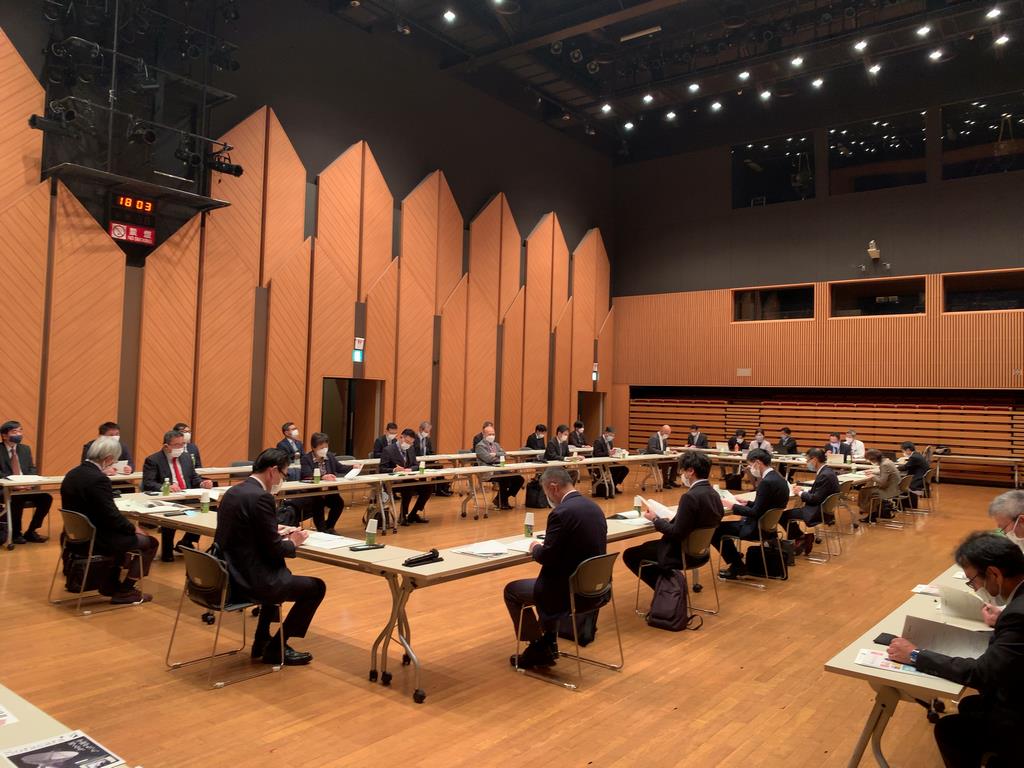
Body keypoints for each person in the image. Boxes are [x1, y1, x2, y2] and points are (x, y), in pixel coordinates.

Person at [887, 532, 1024, 768]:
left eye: (973, 581)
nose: (975, 588)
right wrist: (1003, 618)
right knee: (970, 705)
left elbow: (981, 674)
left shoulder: (1018, 616)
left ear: (994, 574)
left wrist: (915, 655)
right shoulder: (1017, 607)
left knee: (948, 730)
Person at [214, 448, 326, 666]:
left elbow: (247, 530)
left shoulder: (234, 491)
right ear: (272, 471)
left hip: (229, 572)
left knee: (279, 571)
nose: (282, 480)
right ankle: (276, 648)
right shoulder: (261, 497)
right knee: (315, 587)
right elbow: (274, 549)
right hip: (250, 581)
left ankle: (262, 639)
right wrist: (293, 542)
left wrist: (273, 531)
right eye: (283, 475)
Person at [504, 468, 607, 669]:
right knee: (549, 581)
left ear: (553, 487)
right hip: (596, 588)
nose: (547, 497)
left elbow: (547, 557)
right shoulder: (594, 507)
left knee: (512, 591)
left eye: (546, 492)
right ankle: (548, 641)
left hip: (568, 591)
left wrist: (535, 548)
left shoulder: (561, 513)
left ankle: (538, 646)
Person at [60, 437, 158, 604]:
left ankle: (110, 583)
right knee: (150, 543)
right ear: (108, 459)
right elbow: (110, 515)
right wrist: (132, 528)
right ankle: (126, 590)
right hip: (97, 538)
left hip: (76, 536)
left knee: (124, 537)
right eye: (114, 460)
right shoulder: (99, 479)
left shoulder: (72, 473)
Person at [623, 451, 723, 588]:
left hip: (681, 553)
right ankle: (670, 587)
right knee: (646, 545)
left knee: (631, 554)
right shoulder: (714, 493)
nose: (681, 475)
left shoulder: (690, 497)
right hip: (701, 552)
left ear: (690, 471)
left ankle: (669, 589)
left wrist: (655, 519)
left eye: (682, 471)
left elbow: (677, 533)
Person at [714, 448, 790, 579]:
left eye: (750, 465)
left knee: (716, 529)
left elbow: (755, 513)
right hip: (769, 528)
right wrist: (747, 502)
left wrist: (733, 506)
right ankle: (736, 559)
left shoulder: (766, 482)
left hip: (756, 528)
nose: (749, 468)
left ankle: (737, 565)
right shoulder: (779, 478)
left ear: (758, 463)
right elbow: (766, 505)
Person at [142, 430, 214, 560]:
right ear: (166, 446)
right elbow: (148, 483)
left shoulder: (186, 457)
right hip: (169, 499)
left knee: (209, 508)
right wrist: (166, 487)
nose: (181, 447)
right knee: (173, 514)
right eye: (177, 445)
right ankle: (167, 552)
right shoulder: (153, 460)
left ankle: (186, 541)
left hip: (187, 496)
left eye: (183, 444)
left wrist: (202, 483)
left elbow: (193, 477)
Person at [780, 448, 840, 556]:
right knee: (791, 512)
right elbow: (820, 493)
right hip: (823, 509)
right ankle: (801, 538)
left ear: (814, 460)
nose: (807, 463)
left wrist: (799, 493)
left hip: (816, 511)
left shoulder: (824, 475)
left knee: (783, 515)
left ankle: (801, 538)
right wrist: (804, 491)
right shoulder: (828, 471)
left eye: (808, 460)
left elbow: (815, 499)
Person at [0, 420, 51, 544]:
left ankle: (31, 531)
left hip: (26, 488)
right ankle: (15, 533)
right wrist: (14, 484)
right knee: (17, 498)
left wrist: (29, 483)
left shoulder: (25, 449)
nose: (19, 434)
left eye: (20, 431)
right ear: (5, 435)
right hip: (5, 489)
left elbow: (32, 469)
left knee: (46, 498)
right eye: (14, 432)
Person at [299, 432, 352, 533]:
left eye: (326, 447)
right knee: (318, 505)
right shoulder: (306, 459)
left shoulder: (330, 456)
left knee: (339, 503)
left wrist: (353, 467)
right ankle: (322, 530)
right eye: (321, 447)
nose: (324, 449)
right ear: (313, 448)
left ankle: (329, 527)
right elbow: (306, 474)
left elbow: (340, 468)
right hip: (314, 493)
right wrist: (323, 477)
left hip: (329, 491)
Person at [381, 428, 431, 524]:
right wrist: (394, 469)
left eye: (411, 443)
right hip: (393, 482)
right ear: (401, 437)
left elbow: (416, 465)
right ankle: (403, 515)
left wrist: (410, 469)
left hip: (408, 479)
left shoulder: (410, 449)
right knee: (409, 486)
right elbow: (382, 469)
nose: (409, 444)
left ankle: (413, 514)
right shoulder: (388, 450)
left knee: (427, 487)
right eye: (407, 442)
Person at [475, 425, 524, 509]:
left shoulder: (496, 445)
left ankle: (500, 498)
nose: (492, 436)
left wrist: (495, 454)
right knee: (505, 477)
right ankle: (502, 501)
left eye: (493, 434)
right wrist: (499, 458)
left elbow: (504, 455)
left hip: (500, 469)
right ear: (484, 434)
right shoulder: (480, 446)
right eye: (489, 434)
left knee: (519, 478)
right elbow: (488, 459)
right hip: (488, 472)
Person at [858, 448, 901, 523]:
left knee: (865, 491)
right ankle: (871, 512)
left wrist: (872, 477)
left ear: (873, 459)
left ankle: (869, 513)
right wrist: (874, 473)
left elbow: (882, 482)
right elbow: (886, 473)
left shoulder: (884, 465)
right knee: (868, 489)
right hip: (895, 487)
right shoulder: (887, 461)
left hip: (890, 490)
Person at [414, 421, 451, 496]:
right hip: (416, 461)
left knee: (439, 466)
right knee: (422, 468)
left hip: (426, 461)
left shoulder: (427, 439)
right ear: (420, 429)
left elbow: (430, 452)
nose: (427, 433)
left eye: (428, 431)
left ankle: (440, 489)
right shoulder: (414, 439)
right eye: (426, 431)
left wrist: (435, 458)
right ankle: (422, 490)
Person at [592, 426, 628, 494]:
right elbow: (597, 454)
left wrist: (617, 453)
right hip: (601, 463)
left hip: (609, 462)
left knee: (625, 469)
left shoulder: (610, 441)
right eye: (611, 435)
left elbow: (611, 452)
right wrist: (608, 453)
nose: (612, 437)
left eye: (613, 436)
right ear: (606, 433)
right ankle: (612, 486)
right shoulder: (598, 441)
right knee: (616, 469)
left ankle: (614, 485)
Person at [899, 441, 929, 509]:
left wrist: (895, 467)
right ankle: (907, 505)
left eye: (903, 451)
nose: (903, 453)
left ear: (908, 450)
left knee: (902, 484)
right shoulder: (917, 455)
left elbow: (905, 467)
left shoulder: (914, 457)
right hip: (922, 479)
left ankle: (904, 505)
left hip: (918, 480)